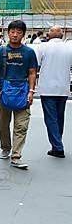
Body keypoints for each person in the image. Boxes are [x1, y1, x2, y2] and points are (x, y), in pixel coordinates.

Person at [0, 20, 38, 169]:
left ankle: (16, 156)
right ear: (8, 32)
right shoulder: (0, 51)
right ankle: (5, 147)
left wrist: (31, 91)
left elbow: (32, 73)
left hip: (22, 92)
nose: (15, 35)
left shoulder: (29, 52)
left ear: (23, 34)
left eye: (19, 32)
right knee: (3, 124)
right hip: (3, 92)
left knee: (21, 126)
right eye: (12, 32)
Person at [36, 26, 72, 158]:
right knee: (60, 117)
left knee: (51, 118)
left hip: (47, 87)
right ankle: (57, 143)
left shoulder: (42, 47)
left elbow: (36, 64)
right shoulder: (69, 47)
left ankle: (57, 146)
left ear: (49, 35)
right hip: (63, 87)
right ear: (62, 35)